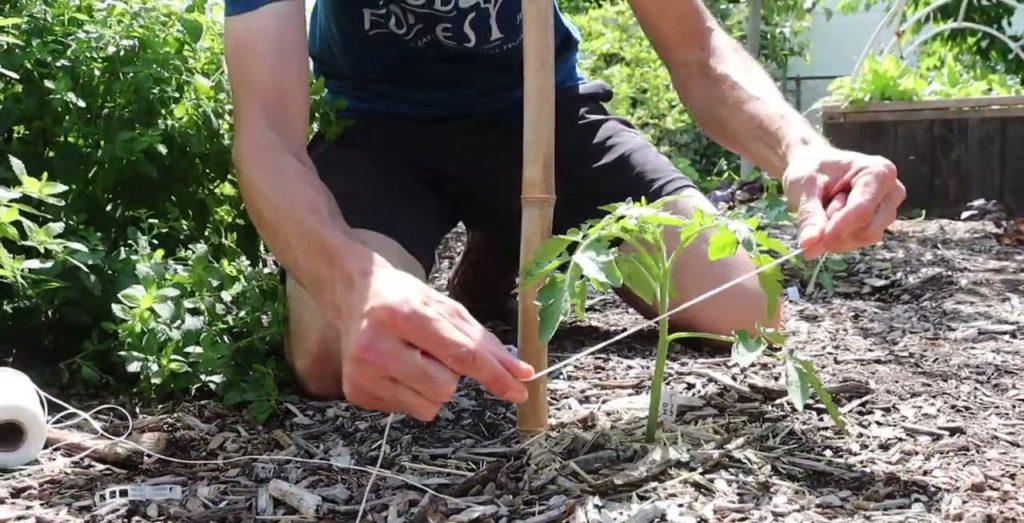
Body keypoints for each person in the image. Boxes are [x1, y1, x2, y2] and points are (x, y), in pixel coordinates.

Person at [222, 0, 906, 422]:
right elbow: (267, 131)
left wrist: (801, 149)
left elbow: (697, 51)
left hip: (549, 118)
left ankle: (510, 239)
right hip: (377, 128)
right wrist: (351, 283)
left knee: (747, 304)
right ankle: (504, 235)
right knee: (327, 355)